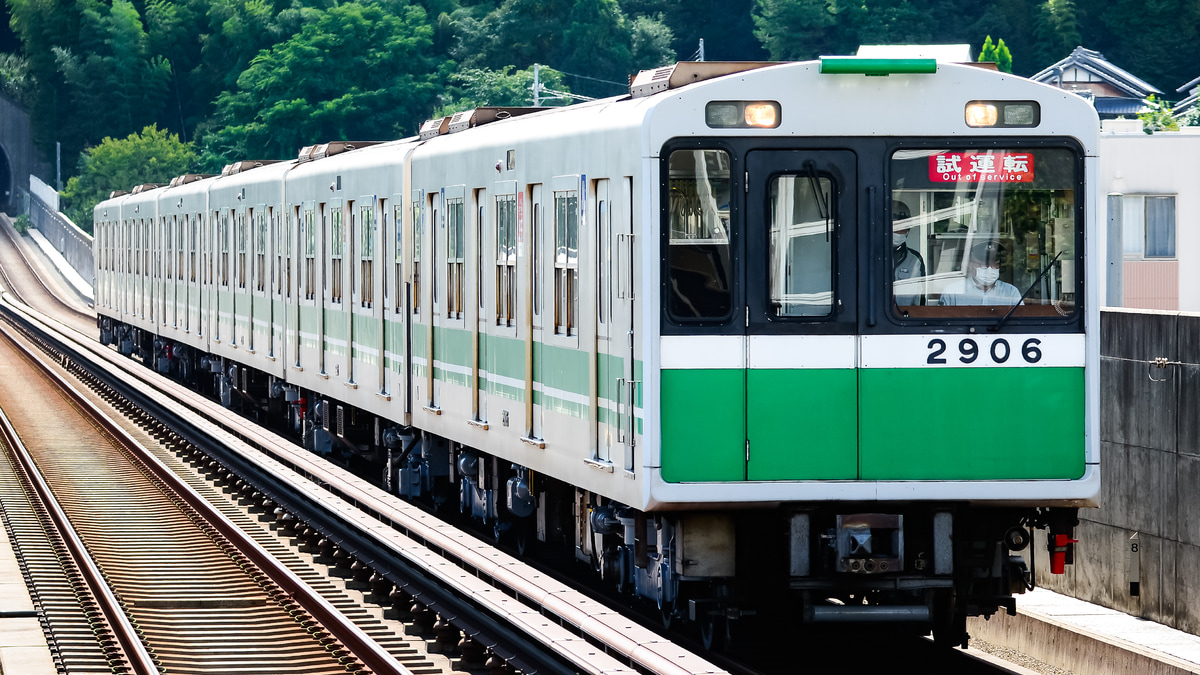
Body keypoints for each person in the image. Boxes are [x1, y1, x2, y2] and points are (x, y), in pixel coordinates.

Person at [938, 240, 1023, 306]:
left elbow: (1020, 323)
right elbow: (942, 324)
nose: (990, 268)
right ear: (970, 265)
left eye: (994, 264)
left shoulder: (1011, 292)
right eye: (984, 264)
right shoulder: (953, 292)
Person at [891, 201, 925, 306]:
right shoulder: (870, 256)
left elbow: (920, 300)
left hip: (905, 319)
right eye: (895, 227)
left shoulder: (915, 260)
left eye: (903, 228)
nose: (899, 232)